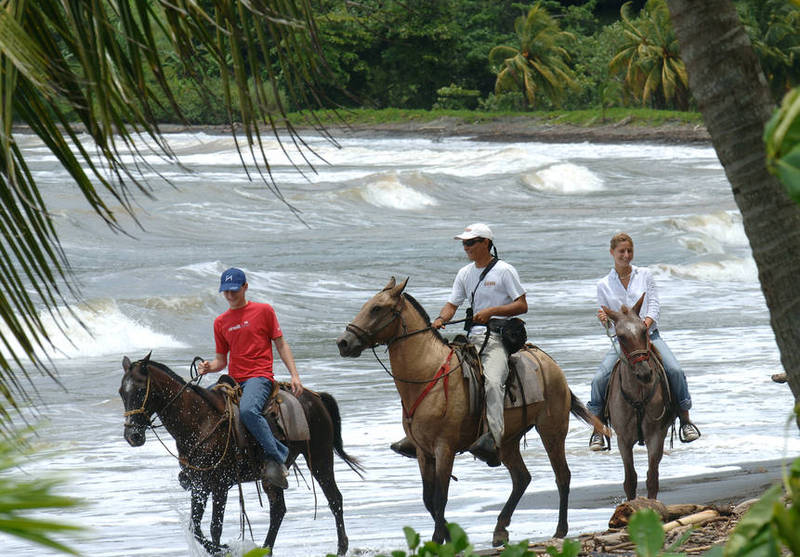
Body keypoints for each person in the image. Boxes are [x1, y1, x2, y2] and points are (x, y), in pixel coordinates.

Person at [391, 223, 527, 466]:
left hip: (497, 337)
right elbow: (452, 304)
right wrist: (441, 319)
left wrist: (492, 311)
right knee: (434, 374)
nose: (466, 247)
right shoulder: (465, 273)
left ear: (486, 243)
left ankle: (493, 438)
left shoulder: (505, 271)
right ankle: (416, 434)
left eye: (471, 242)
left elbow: (522, 305)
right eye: (464, 243)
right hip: (471, 338)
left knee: (493, 382)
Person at [588, 233, 701, 451]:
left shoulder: (645, 275)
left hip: (649, 336)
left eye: (629, 250)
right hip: (624, 343)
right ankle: (598, 429)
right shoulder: (603, 285)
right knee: (599, 378)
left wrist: (644, 327)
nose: (626, 255)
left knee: (675, 370)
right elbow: (609, 323)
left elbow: (654, 305)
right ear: (612, 253)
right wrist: (604, 320)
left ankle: (685, 420)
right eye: (621, 251)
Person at [197, 267, 304, 488]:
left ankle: (278, 457)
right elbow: (221, 361)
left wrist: (295, 375)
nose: (229, 295)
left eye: (234, 290)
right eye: (226, 291)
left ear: (245, 287)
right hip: (233, 379)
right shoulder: (220, 322)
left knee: (247, 411)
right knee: (202, 405)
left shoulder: (264, 311)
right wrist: (208, 367)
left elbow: (281, 344)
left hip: (259, 376)